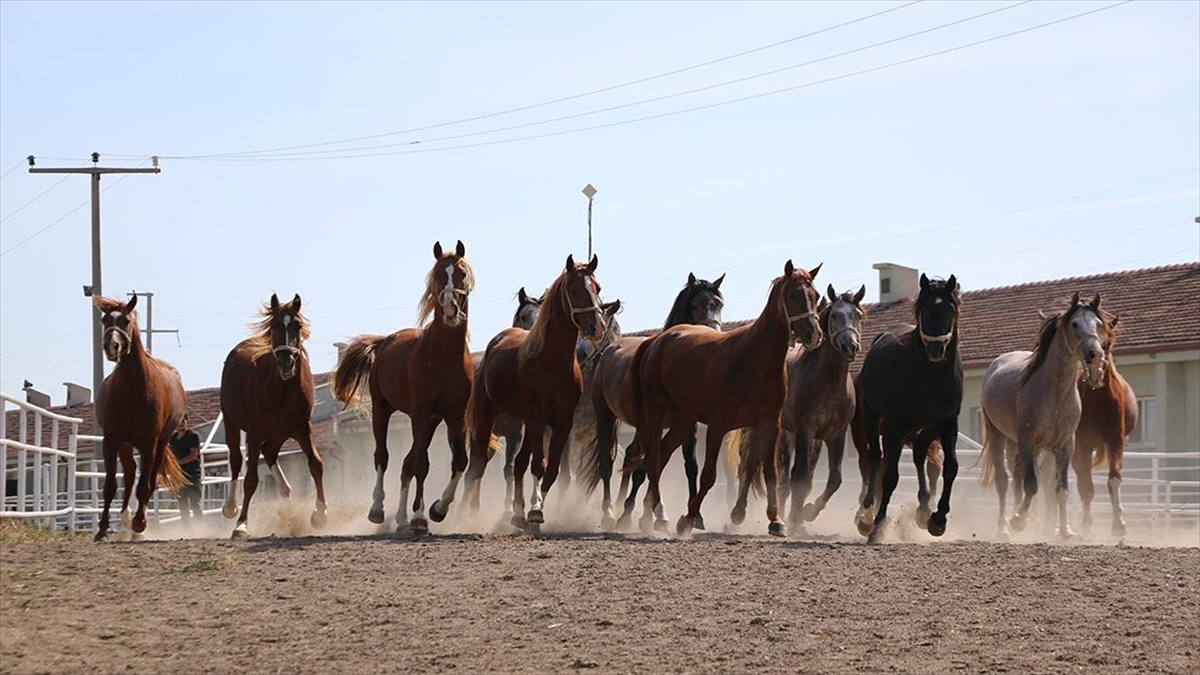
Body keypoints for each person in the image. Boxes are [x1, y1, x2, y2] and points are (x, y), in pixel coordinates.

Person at [169, 415, 203, 521]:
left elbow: (193, 455)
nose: (180, 424)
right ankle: (186, 528)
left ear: (187, 422)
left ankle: (199, 527)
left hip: (192, 474)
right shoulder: (172, 438)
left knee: (195, 503)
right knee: (182, 504)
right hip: (178, 475)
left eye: (183, 421)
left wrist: (178, 463)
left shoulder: (193, 436)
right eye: (178, 422)